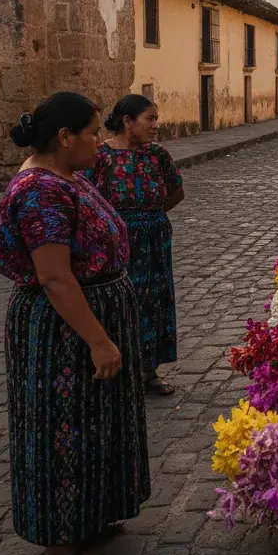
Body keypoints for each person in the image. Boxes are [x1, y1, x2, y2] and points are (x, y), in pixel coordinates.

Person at [0, 92, 150, 555]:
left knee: (97, 423)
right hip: (64, 332)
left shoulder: (67, 176)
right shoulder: (39, 192)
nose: (98, 142)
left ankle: (92, 514)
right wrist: (99, 340)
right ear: (65, 137)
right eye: (91, 133)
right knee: (64, 431)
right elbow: (55, 277)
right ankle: (61, 545)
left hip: (91, 317)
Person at [88, 94, 185, 396]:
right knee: (119, 303)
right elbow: (87, 199)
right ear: (128, 122)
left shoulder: (158, 154)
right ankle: (117, 368)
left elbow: (177, 192)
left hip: (154, 240)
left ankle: (148, 370)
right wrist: (120, 225)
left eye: (156, 119)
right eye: (149, 119)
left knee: (153, 302)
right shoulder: (100, 156)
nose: (155, 125)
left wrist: (149, 217)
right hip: (116, 243)